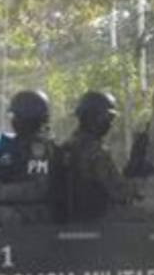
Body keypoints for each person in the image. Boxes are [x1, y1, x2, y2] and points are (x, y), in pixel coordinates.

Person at [0, 90, 62, 226]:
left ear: (28, 117)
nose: (13, 120)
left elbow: (39, 189)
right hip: (18, 210)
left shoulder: (40, 149)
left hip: (38, 212)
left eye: (16, 116)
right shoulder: (13, 145)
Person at [61, 91, 142, 222]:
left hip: (75, 218)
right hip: (99, 218)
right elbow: (118, 191)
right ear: (95, 118)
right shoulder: (94, 151)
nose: (109, 124)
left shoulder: (67, 146)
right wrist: (141, 185)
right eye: (107, 119)